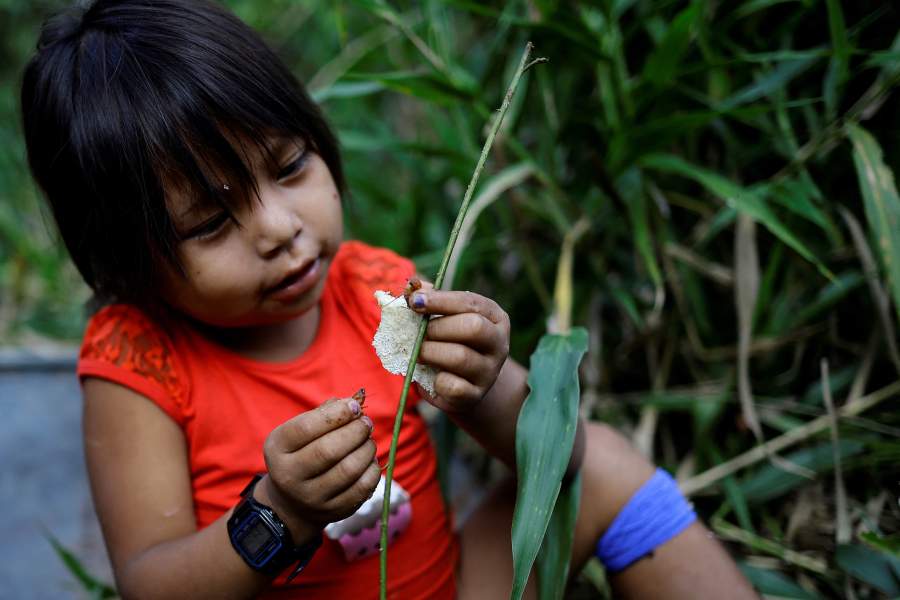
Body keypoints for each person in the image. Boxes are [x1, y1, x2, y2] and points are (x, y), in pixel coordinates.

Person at [20, 1, 757, 598]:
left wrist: (487, 384)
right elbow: (150, 583)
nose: (280, 229)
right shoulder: (140, 361)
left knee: (603, 468)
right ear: (125, 261)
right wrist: (280, 514)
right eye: (211, 223)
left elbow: (557, 459)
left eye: (290, 166)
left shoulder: (373, 287)